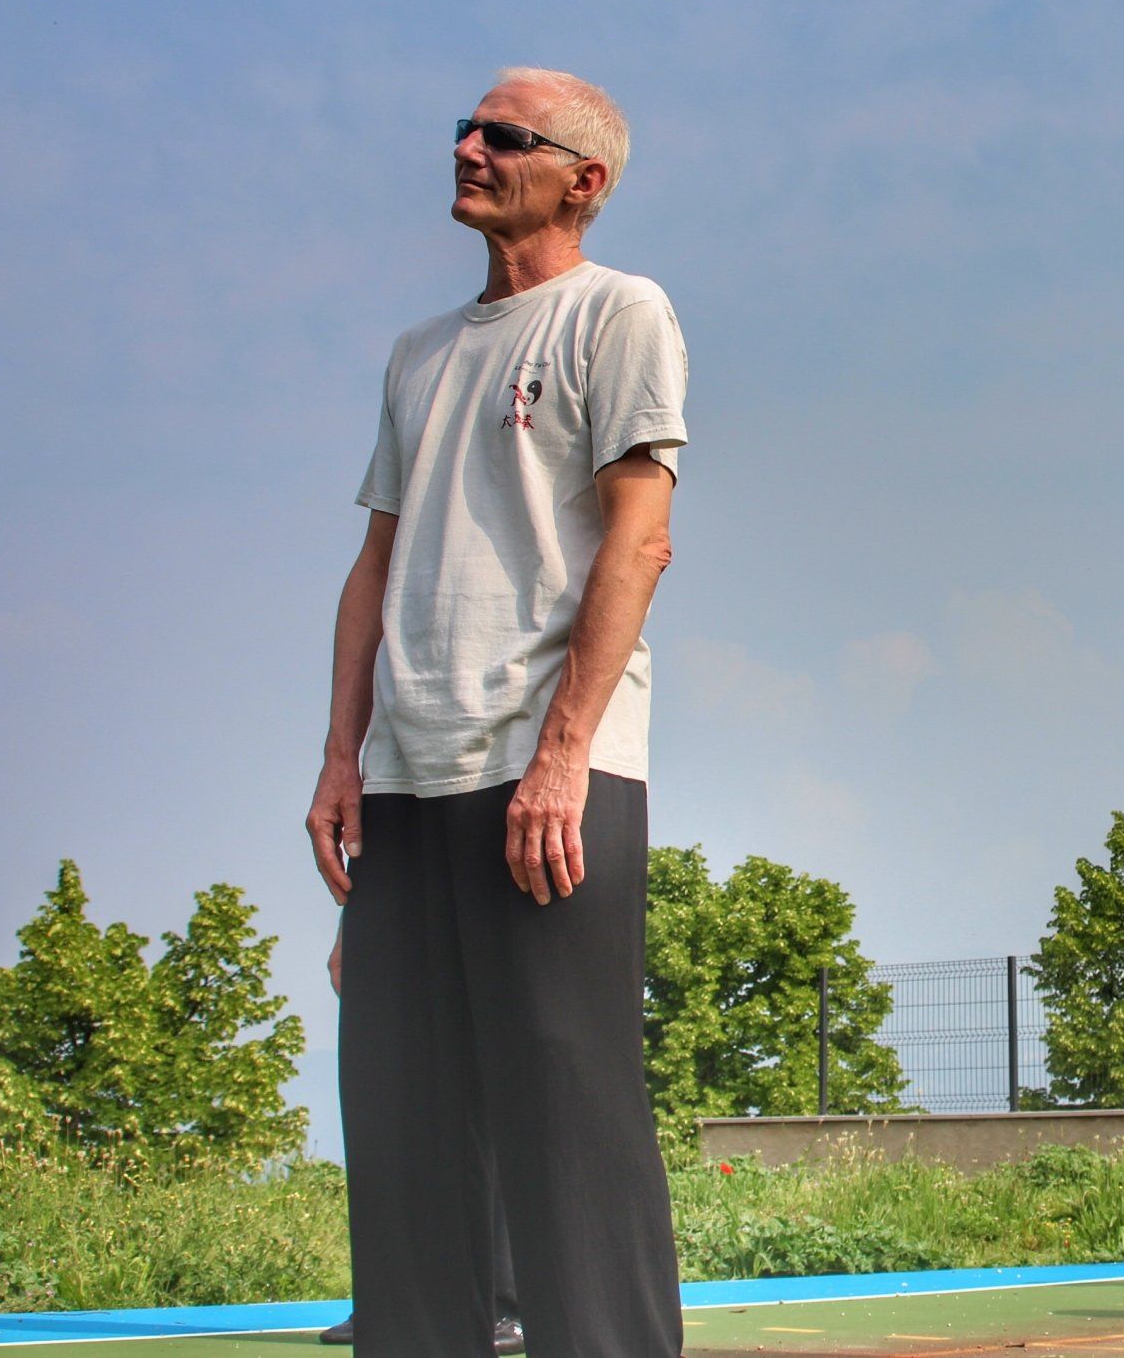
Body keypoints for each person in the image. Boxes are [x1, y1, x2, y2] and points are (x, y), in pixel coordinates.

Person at [305, 67, 688, 1356]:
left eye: (504, 136)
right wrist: (340, 761)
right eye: (467, 129)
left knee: (566, 1121)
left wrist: (563, 755)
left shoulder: (619, 314)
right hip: (406, 786)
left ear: (582, 180)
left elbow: (636, 540)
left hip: (550, 779)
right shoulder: (419, 355)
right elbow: (376, 568)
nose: (467, 146)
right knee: (403, 1126)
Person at [317, 924, 524, 1352]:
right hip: (403, 904)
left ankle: (506, 1303)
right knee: (400, 1096)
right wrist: (351, 929)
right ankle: (391, 1305)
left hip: (506, 901)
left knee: (492, 1091)